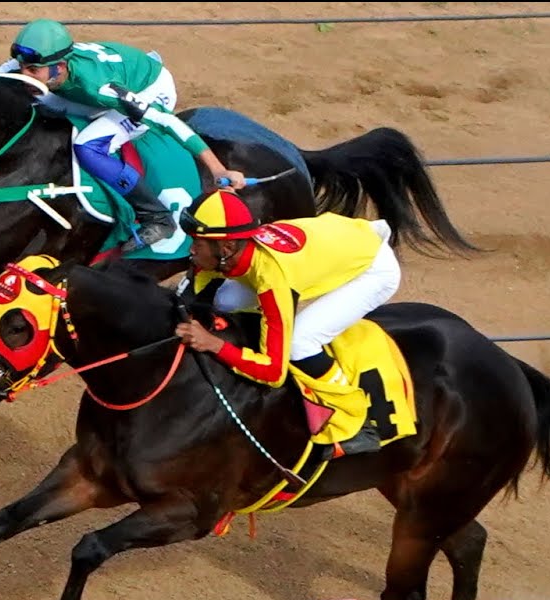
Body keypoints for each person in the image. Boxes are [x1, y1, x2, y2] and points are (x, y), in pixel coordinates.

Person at [173, 190, 403, 458]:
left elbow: (273, 372)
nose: (191, 249)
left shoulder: (272, 278)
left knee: (299, 341)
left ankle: (358, 422)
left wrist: (215, 345)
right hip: (341, 243)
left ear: (226, 248)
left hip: (372, 269)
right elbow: (190, 294)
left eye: (197, 243)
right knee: (225, 300)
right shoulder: (228, 248)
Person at [0, 18, 247, 249]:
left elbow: (168, 122)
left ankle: (155, 215)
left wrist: (217, 169)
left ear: (61, 66)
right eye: (23, 67)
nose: (25, 74)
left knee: (88, 145)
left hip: (150, 91)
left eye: (33, 71)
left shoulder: (99, 87)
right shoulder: (43, 64)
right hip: (110, 75)